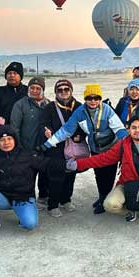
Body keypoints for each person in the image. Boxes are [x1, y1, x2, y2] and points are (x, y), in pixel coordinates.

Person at [67, 116, 139, 227]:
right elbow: (102, 159)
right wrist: (78, 164)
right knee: (109, 204)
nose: (137, 130)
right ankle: (131, 209)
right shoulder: (122, 146)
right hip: (129, 185)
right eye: (133, 127)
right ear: (128, 130)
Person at [43, 84, 127, 214]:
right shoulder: (80, 111)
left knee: (109, 175)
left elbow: (119, 129)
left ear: (100, 99)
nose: (93, 101)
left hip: (110, 147)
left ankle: (105, 200)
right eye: (89, 98)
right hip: (95, 148)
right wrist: (48, 143)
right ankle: (101, 197)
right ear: (85, 98)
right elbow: (66, 130)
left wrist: (128, 143)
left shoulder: (107, 110)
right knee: (98, 175)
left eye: (96, 98)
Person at [0, 125, 66, 236]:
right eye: (2, 140)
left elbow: (47, 164)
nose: (6, 142)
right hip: (3, 198)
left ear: (15, 140)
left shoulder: (27, 155)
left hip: (23, 198)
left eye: (9, 139)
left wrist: (69, 165)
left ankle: (23, 213)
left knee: (30, 224)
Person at [43, 79, 86, 217]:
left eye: (66, 89)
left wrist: (80, 135)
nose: (63, 92)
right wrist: (47, 131)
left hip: (73, 145)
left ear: (71, 91)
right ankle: (53, 204)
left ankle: (66, 199)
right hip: (56, 147)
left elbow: (85, 125)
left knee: (71, 174)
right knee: (56, 176)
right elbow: (44, 123)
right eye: (60, 90)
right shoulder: (49, 107)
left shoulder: (79, 106)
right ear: (56, 92)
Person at [11, 77, 51, 208]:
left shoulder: (49, 104)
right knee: (29, 176)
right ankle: (30, 199)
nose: (34, 91)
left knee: (45, 174)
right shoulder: (20, 105)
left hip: (45, 147)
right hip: (27, 147)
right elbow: (14, 128)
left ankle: (44, 197)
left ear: (43, 90)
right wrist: (19, 147)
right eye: (32, 88)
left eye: (38, 88)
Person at [0, 62, 28, 132]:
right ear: (6, 76)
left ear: (20, 76)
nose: (12, 75)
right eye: (9, 73)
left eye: (15, 73)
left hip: (24, 133)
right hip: (3, 133)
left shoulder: (28, 91)